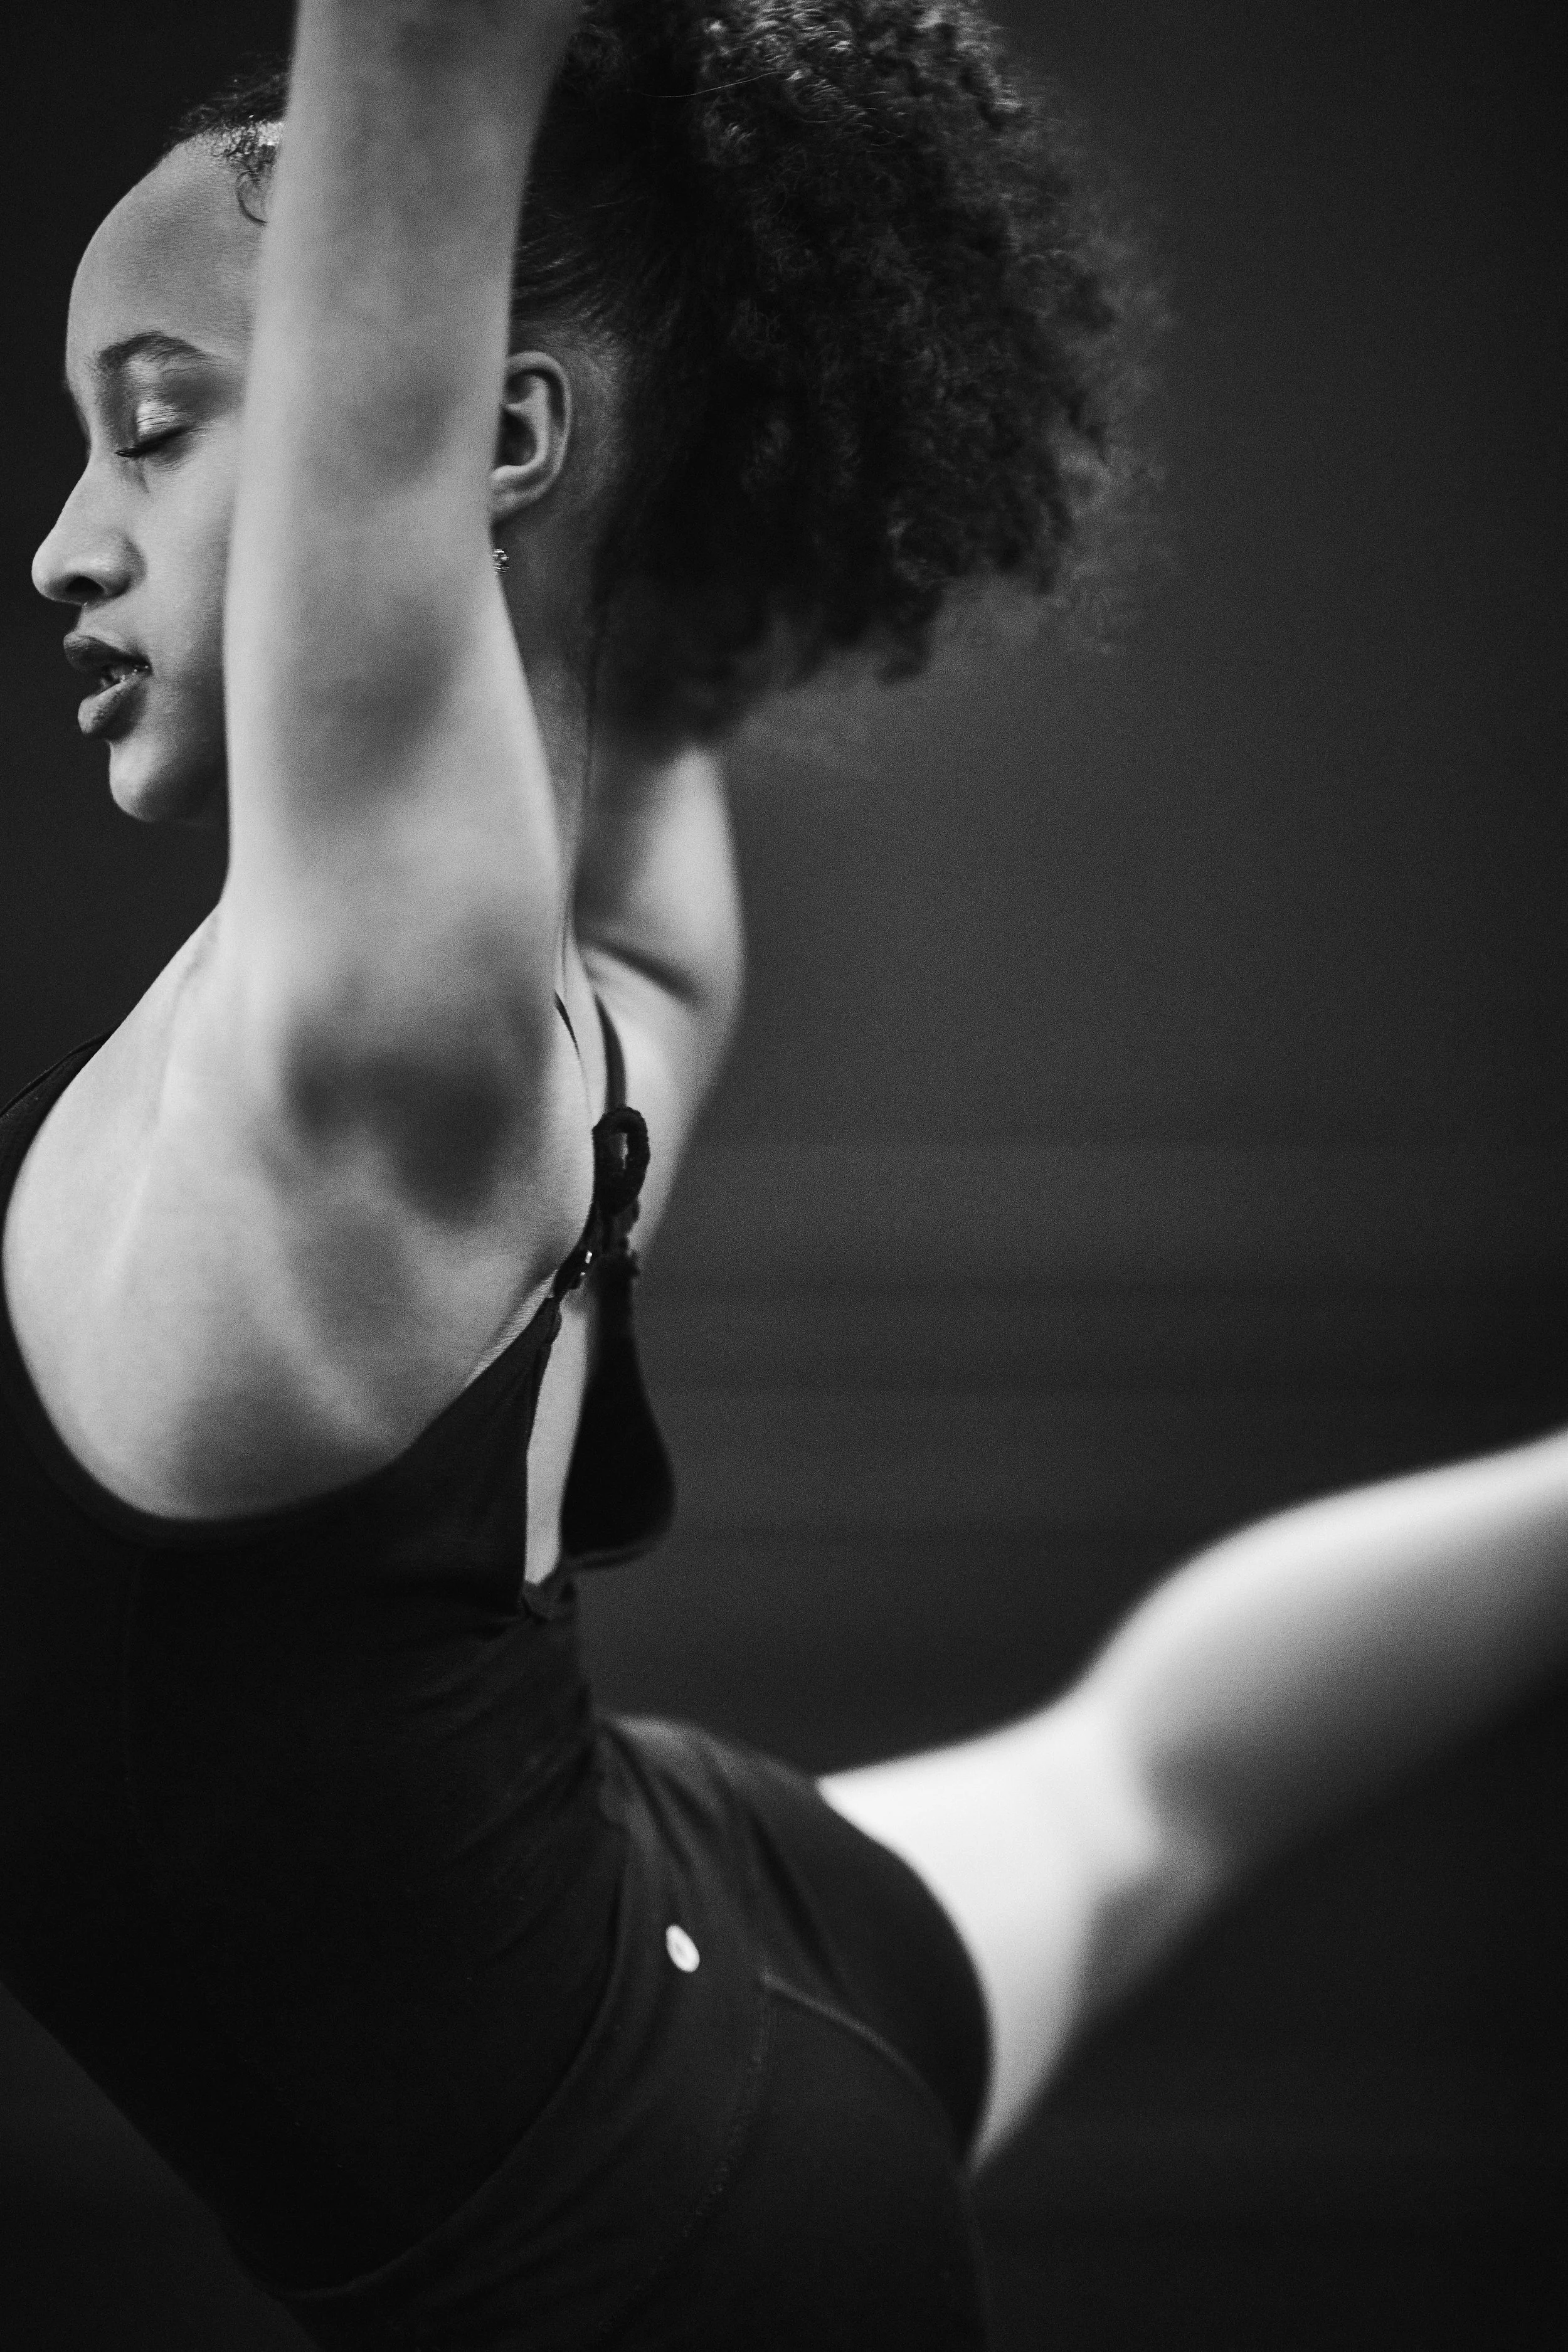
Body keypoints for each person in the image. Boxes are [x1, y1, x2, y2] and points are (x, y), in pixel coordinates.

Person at [0, 3, 1562, 2346]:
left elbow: (421, 56)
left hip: (651, 2246)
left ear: (469, 438)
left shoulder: (375, 1040)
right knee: (1139, 1789)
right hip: (688, 1908)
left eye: (155, 426)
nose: (57, 544)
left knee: (1146, 1791)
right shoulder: (578, 1014)